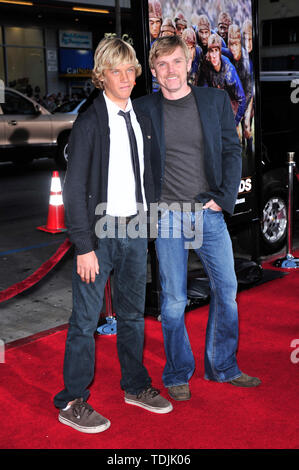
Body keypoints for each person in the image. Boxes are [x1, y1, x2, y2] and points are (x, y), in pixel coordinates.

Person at [53, 37, 172, 434]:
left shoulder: (142, 116)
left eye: (130, 70)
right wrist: (83, 247)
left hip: (136, 229)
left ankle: (135, 386)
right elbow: (73, 191)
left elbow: (150, 171)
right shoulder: (89, 123)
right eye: (115, 71)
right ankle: (71, 400)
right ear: (101, 76)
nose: (124, 77)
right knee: (86, 320)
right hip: (100, 234)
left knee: (134, 315)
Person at [134, 35, 261, 402]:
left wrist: (222, 199)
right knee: (173, 301)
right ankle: (177, 371)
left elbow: (231, 149)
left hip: (209, 213)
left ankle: (223, 366)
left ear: (189, 63)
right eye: (161, 64)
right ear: (154, 72)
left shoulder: (214, 100)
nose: (170, 70)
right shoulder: (143, 108)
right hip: (168, 216)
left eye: (176, 61)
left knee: (228, 292)